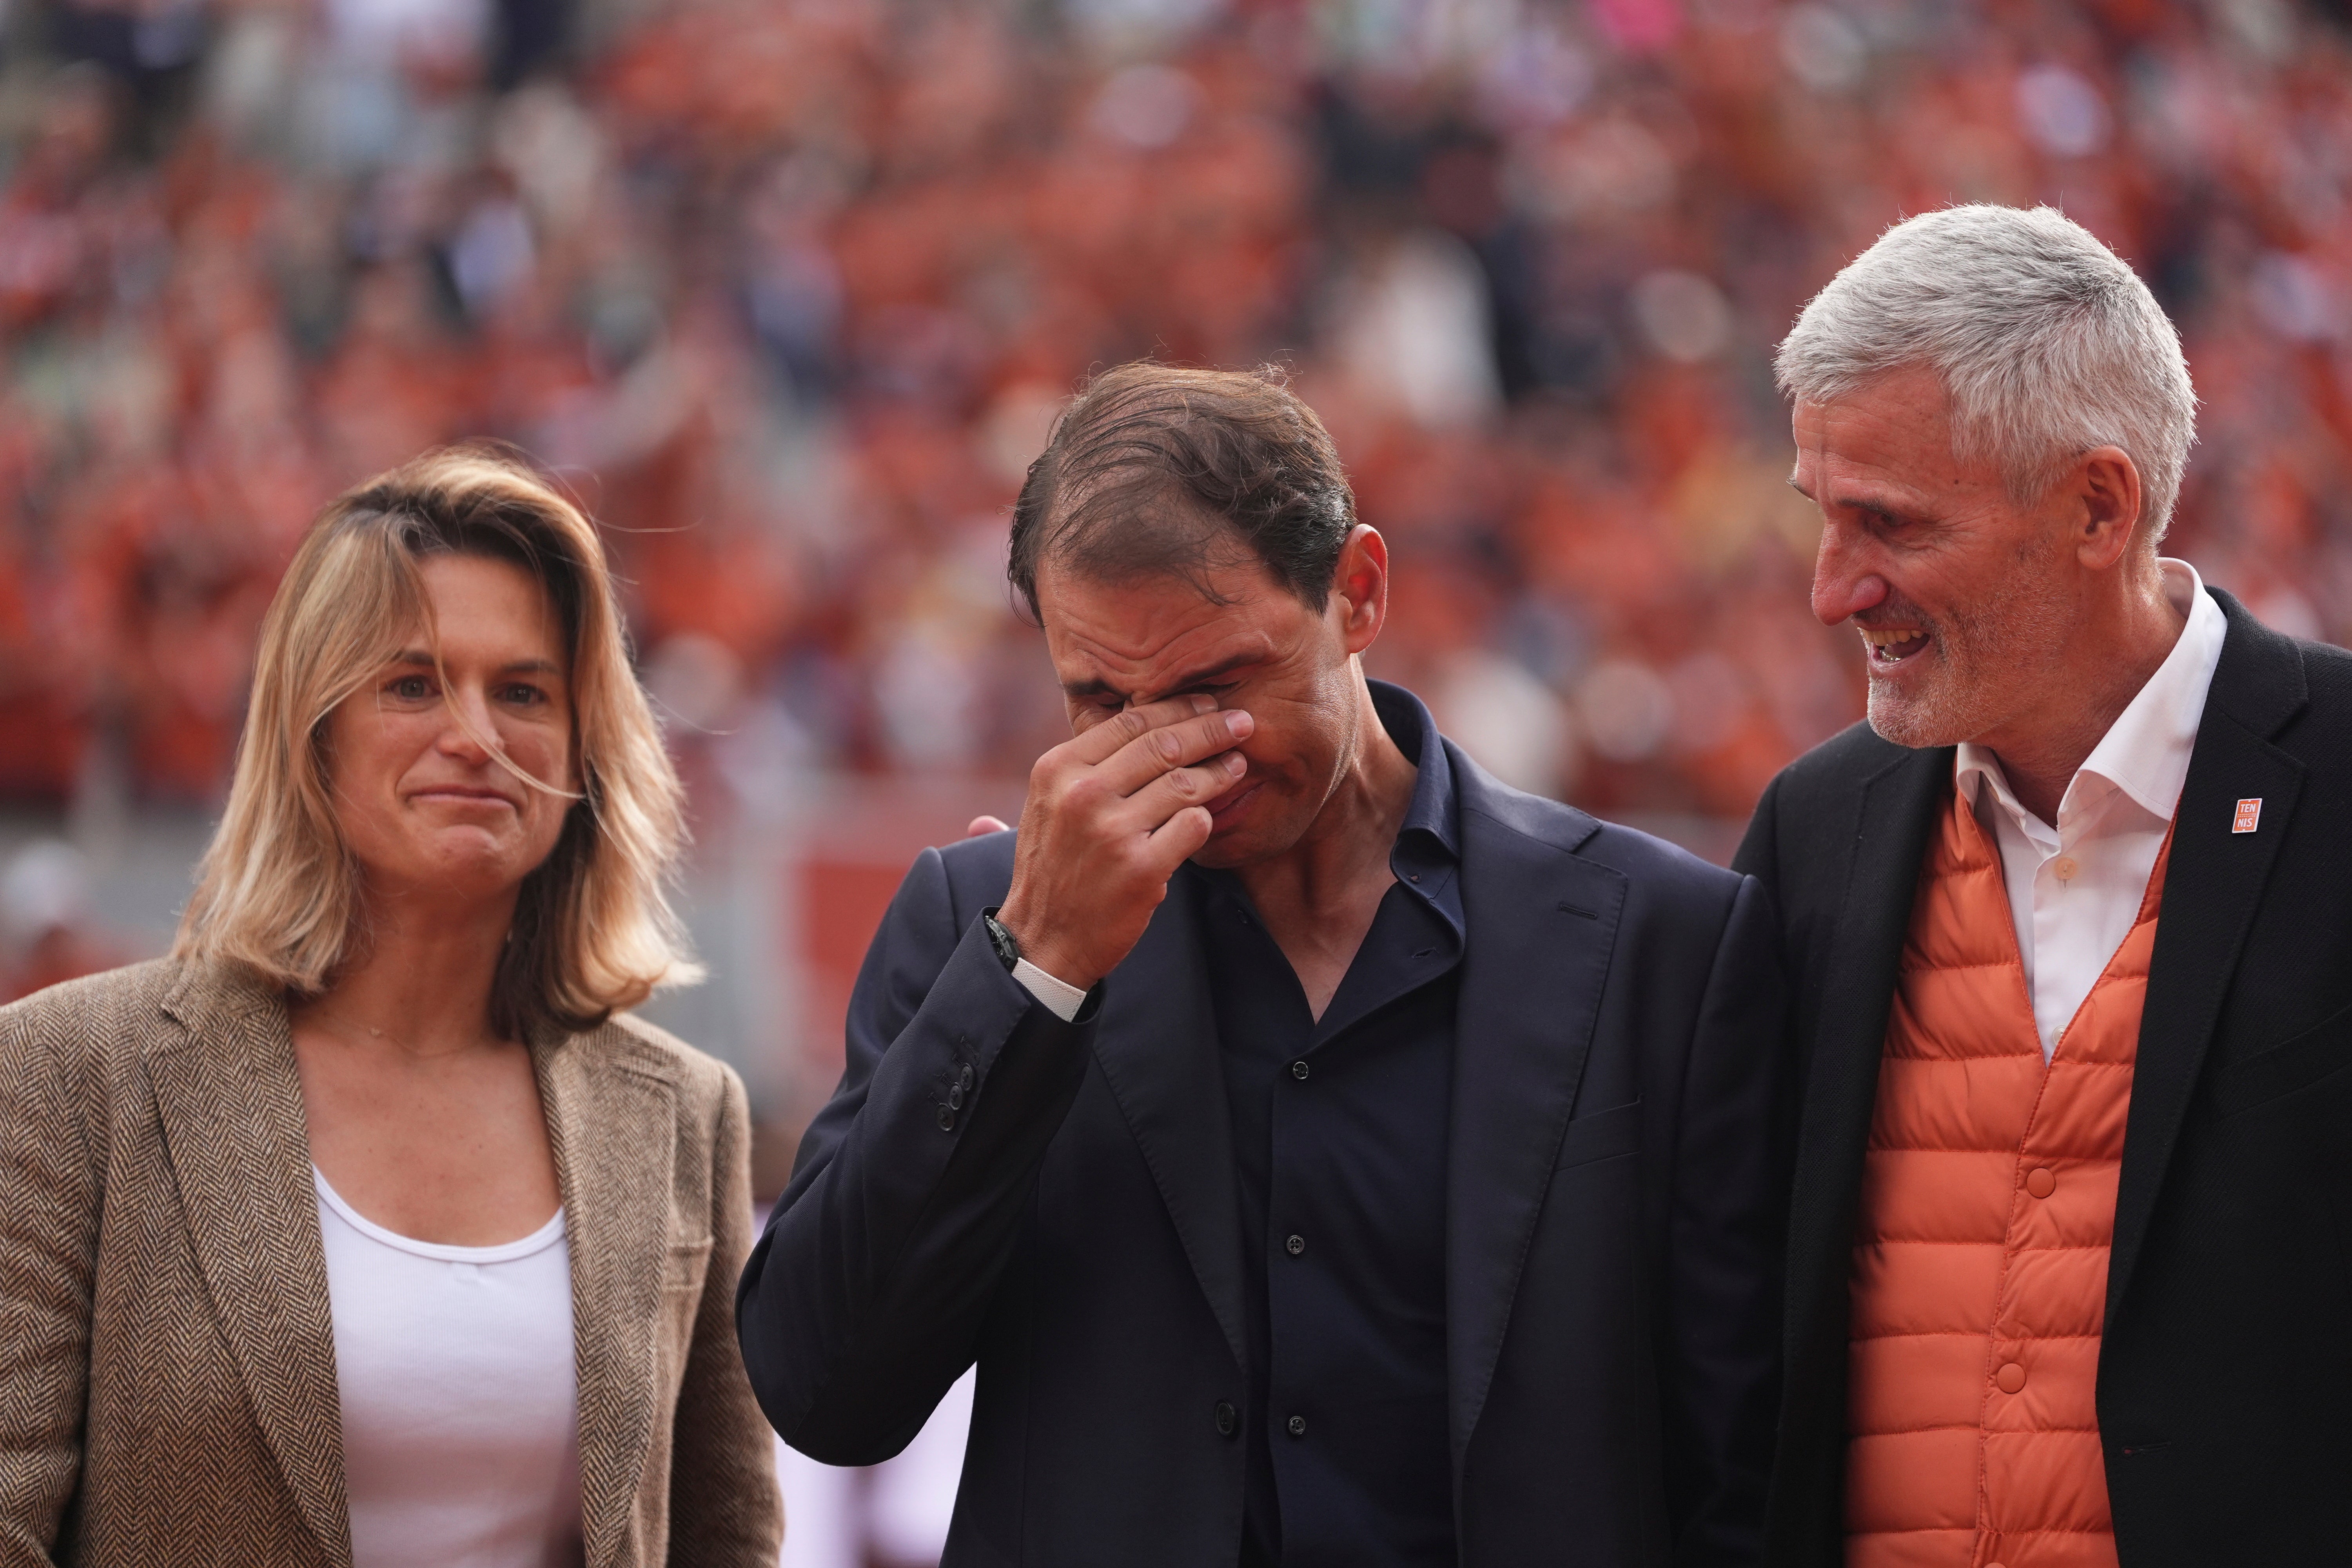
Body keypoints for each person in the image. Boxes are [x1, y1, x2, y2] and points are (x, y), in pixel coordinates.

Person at [738, 363, 1785, 1566]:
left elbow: (1742, 1467)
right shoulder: (978, 928)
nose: (1176, 749)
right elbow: (825, 1389)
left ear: (1361, 592)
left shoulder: (1663, 941)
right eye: (1100, 701)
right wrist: (1035, 977)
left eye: (1219, 685)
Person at [0, 446, 782, 1566]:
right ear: (313, 737)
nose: (475, 735)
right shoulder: (65, 1078)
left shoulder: (684, 1114)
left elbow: (726, 1537)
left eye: (523, 691)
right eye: (411, 685)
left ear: (582, 750)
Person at [1737, 204, 2352, 1568]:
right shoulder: (1814, 831)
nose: (1835, 592)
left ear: (2097, 505)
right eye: (1823, 519)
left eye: (1888, 523)